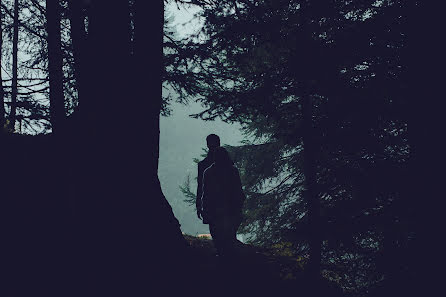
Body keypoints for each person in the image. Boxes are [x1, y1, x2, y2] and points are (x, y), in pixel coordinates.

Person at [200, 146, 246, 257]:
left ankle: (222, 258)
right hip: (230, 210)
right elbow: (238, 192)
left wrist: (204, 209)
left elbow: (206, 194)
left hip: (215, 211)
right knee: (229, 237)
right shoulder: (232, 171)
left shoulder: (208, 172)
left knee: (218, 238)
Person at [196, 134, 221, 221]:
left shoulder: (203, 165)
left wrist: (198, 205)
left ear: (207, 145)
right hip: (227, 205)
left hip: (210, 205)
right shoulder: (230, 166)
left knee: (215, 231)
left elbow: (200, 186)